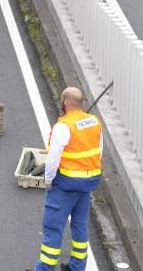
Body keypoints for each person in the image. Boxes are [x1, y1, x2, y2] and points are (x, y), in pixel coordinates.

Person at [33, 87, 102, 271]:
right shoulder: (94, 121)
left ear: (65, 102)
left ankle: (45, 268)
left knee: (53, 228)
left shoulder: (63, 126)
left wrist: (48, 180)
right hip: (87, 185)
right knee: (80, 227)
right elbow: (98, 152)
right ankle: (77, 267)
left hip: (65, 185)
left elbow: (53, 159)